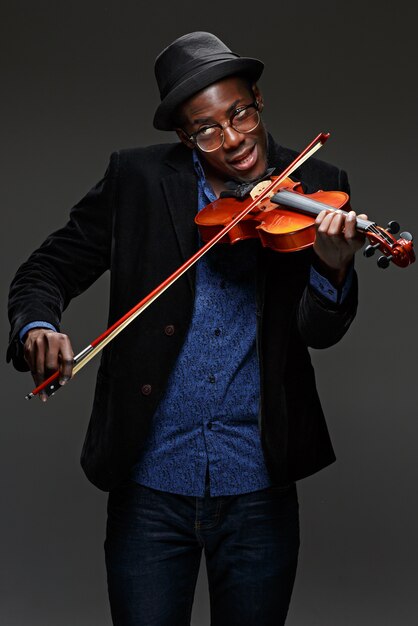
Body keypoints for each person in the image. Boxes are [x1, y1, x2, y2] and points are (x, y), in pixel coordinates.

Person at [7, 31, 366, 626]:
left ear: (257, 100)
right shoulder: (137, 181)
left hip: (259, 485)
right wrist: (37, 327)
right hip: (149, 487)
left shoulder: (314, 188)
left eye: (240, 114)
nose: (234, 140)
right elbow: (45, 269)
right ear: (183, 135)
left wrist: (332, 264)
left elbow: (319, 332)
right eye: (206, 129)